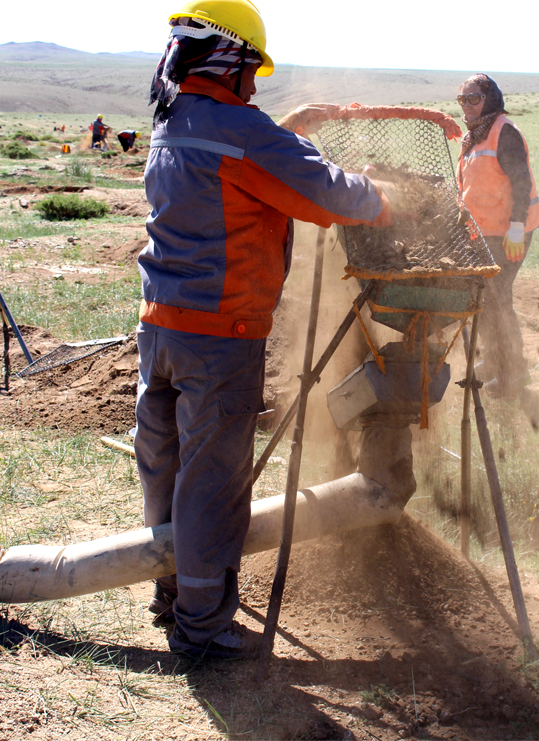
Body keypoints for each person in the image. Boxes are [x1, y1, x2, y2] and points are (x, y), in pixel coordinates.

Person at [135, 0, 391, 662]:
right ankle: (202, 627)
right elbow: (327, 194)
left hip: (158, 327)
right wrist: (384, 199)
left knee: (164, 468)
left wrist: (281, 132)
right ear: (228, 60)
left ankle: (169, 591)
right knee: (212, 484)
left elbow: (240, 164)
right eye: (251, 71)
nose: (254, 85)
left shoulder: (176, 120)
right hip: (219, 337)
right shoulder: (238, 126)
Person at [455, 73, 539, 403]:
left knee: (497, 299)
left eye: (474, 98)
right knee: (486, 300)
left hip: (508, 234)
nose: (467, 105)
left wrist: (517, 226)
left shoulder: (502, 131)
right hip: (483, 233)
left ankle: (511, 374)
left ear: (489, 100)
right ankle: (496, 362)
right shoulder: (474, 136)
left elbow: (521, 182)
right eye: (463, 99)